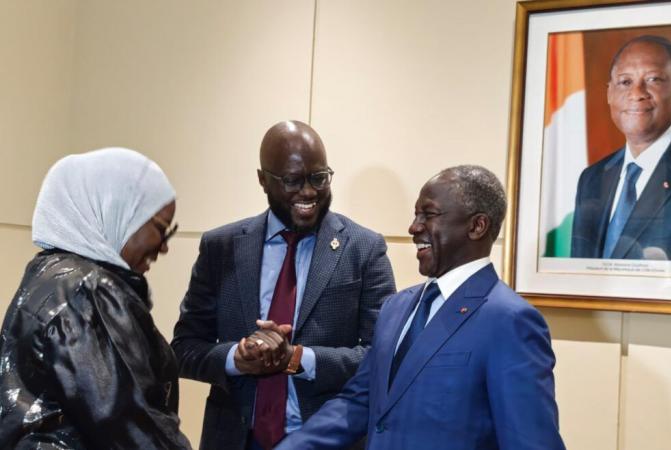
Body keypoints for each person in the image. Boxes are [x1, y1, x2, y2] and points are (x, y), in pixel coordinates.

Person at [276, 165, 565, 450]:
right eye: (416, 215)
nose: (414, 227)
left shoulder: (510, 321)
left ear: (477, 226)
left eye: (429, 215)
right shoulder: (395, 308)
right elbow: (359, 402)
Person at [171, 120, 396, 450]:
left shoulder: (363, 248)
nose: (308, 192)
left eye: (319, 178)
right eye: (292, 181)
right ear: (263, 180)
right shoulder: (221, 247)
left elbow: (382, 356)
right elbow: (184, 349)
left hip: (327, 441)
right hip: (235, 439)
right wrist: (237, 357)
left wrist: (297, 358)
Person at [0, 148, 191, 449]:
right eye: (160, 229)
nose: (163, 247)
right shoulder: (88, 289)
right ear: (116, 210)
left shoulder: (48, 274)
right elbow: (127, 423)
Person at [571, 35, 671, 260]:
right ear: (609, 93)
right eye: (625, 82)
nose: (637, 93)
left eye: (653, 79)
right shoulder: (591, 179)